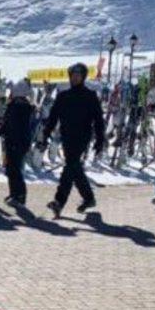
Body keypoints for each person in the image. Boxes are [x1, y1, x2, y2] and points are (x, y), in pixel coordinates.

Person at [42, 62, 105, 216]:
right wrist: (45, 133)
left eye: (79, 76)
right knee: (74, 167)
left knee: (70, 166)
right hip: (67, 137)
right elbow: (53, 116)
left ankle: (59, 201)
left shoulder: (90, 96)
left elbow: (98, 120)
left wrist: (99, 140)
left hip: (82, 137)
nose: (75, 78)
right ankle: (89, 198)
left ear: (83, 77)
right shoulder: (63, 96)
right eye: (73, 75)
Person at [1, 78, 35, 206]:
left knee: (14, 168)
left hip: (17, 141)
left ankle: (19, 195)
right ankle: (14, 193)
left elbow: (12, 125)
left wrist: (4, 131)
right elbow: (7, 123)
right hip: (14, 140)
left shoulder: (19, 106)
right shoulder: (18, 105)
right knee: (11, 168)